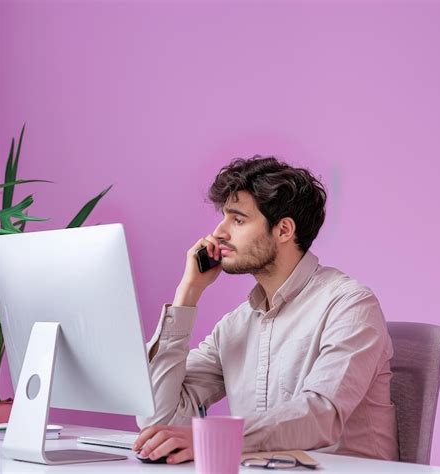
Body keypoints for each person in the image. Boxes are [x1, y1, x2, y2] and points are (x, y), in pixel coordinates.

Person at [133, 156, 399, 464]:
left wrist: (214, 438)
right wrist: (188, 293)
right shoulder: (235, 326)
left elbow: (321, 415)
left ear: (284, 229)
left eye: (238, 220)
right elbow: (157, 421)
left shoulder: (350, 305)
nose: (218, 233)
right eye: (223, 218)